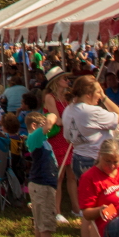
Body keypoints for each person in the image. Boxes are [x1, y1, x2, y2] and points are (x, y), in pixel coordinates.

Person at [24, 111, 71, 237]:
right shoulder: (35, 137)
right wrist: (50, 116)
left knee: (39, 223)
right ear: (34, 126)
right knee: (45, 225)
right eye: (42, 126)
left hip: (41, 185)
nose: (47, 129)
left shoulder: (40, 139)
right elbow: (52, 119)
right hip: (42, 186)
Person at [62, 75, 119, 180]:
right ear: (88, 95)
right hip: (94, 160)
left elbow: (68, 139)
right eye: (98, 92)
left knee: (86, 194)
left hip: (77, 159)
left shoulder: (67, 110)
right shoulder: (92, 112)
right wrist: (105, 98)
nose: (99, 96)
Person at [41, 67, 78, 223]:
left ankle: (76, 209)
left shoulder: (68, 97)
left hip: (69, 138)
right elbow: (56, 119)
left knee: (72, 175)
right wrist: (71, 123)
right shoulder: (50, 97)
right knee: (59, 175)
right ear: (56, 81)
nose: (67, 81)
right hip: (57, 138)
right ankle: (56, 211)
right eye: (64, 79)